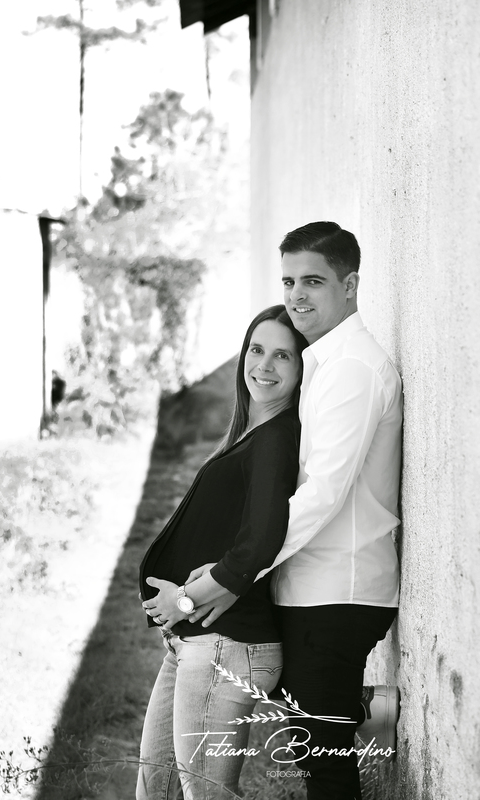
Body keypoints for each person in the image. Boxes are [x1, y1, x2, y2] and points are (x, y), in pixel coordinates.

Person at [189, 221, 403, 800]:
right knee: (316, 755)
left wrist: (236, 572)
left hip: (337, 593)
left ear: (350, 285)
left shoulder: (352, 369)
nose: (296, 295)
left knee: (324, 767)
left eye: (313, 281)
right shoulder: (325, 362)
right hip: (314, 589)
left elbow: (322, 493)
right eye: (288, 281)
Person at [136, 305, 309, 800]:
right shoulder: (252, 433)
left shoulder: (276, 438)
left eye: (283, 356)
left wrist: (184, 600)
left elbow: (261, 539)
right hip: (196, 644)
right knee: (156, 790)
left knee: (205, 794)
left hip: (226, 646)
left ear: (302, 369)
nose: (265, 365)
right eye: (257, 350)